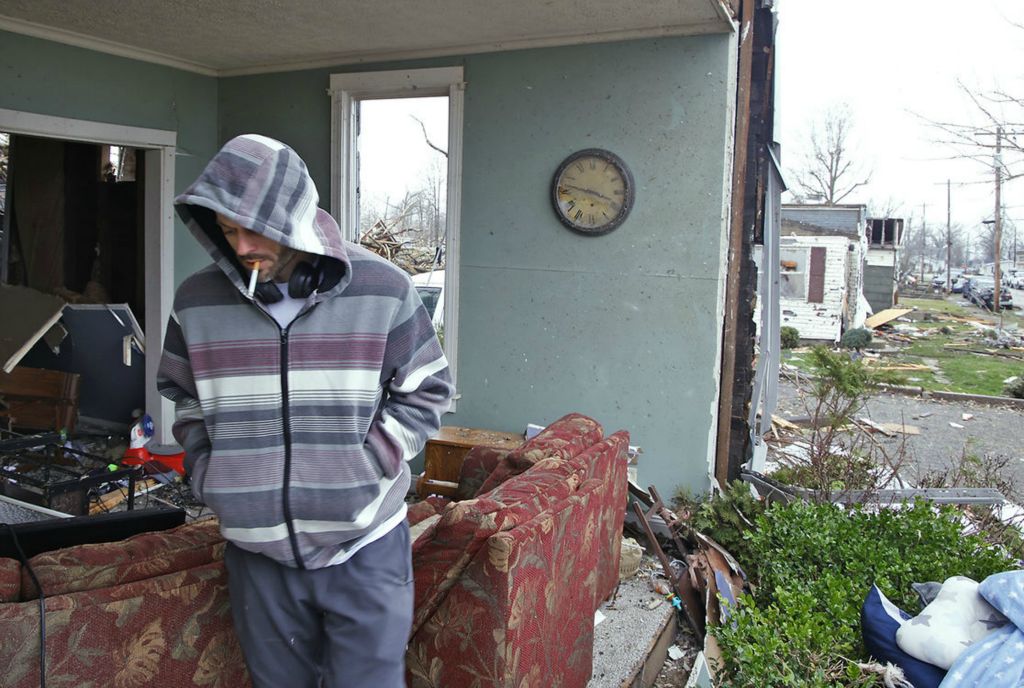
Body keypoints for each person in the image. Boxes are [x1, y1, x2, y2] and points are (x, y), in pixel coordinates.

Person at [157, 134, 454, 687]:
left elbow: (428, 389)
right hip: (257, 555)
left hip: (366, 547)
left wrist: (366, 468)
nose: (242, 246)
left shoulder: (383, 288)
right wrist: (210, 473)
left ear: (295, 216)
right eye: (225, 229)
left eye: (256, 228)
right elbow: (184, 393)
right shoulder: (195, 301)